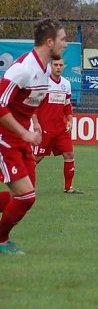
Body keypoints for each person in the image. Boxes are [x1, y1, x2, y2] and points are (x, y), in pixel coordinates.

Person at [0, 18, 67, 255]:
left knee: (26, 197)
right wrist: (23, 132)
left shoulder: (43, 70)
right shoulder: (22, 69)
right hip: (5, 140)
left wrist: (34, 124)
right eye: (62, 39)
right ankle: (1, 240)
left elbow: (29, 101)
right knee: (25, 196)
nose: (65, 44)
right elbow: (1, 106)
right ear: (49, 42)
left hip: (21, 140)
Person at [33, 56, 83, 193]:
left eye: (61, 65)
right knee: (36, 158)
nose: (58, 67)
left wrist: (70, 120)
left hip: (61, 128)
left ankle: (69, 188)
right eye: (56, 65)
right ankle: (25, 188)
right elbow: (33, 105)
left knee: (69, 154)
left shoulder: (66, 84)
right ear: (50, 66)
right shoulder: (42, 83)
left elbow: (67, 105)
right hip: (45, 128)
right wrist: (36, 124)